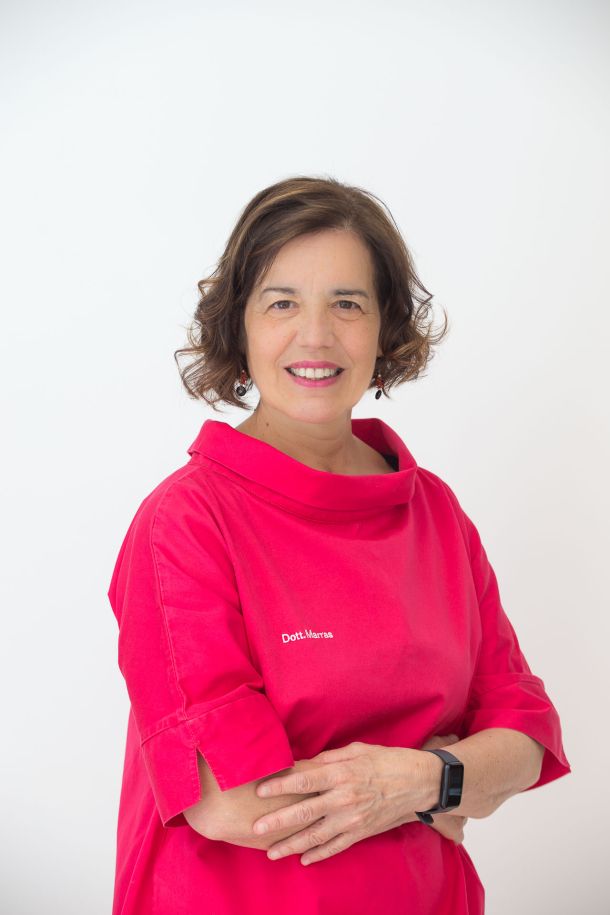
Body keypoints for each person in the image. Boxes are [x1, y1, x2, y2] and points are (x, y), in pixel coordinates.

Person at [107, 175, 571, 914]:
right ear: (238, 329)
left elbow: (524, 735)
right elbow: (226, 799)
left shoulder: (435, 511)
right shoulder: (185, 521)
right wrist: (449, 782)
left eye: (348, 304)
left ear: (385, 329)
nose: (316, 336)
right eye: (282, 303)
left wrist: (420, 781)